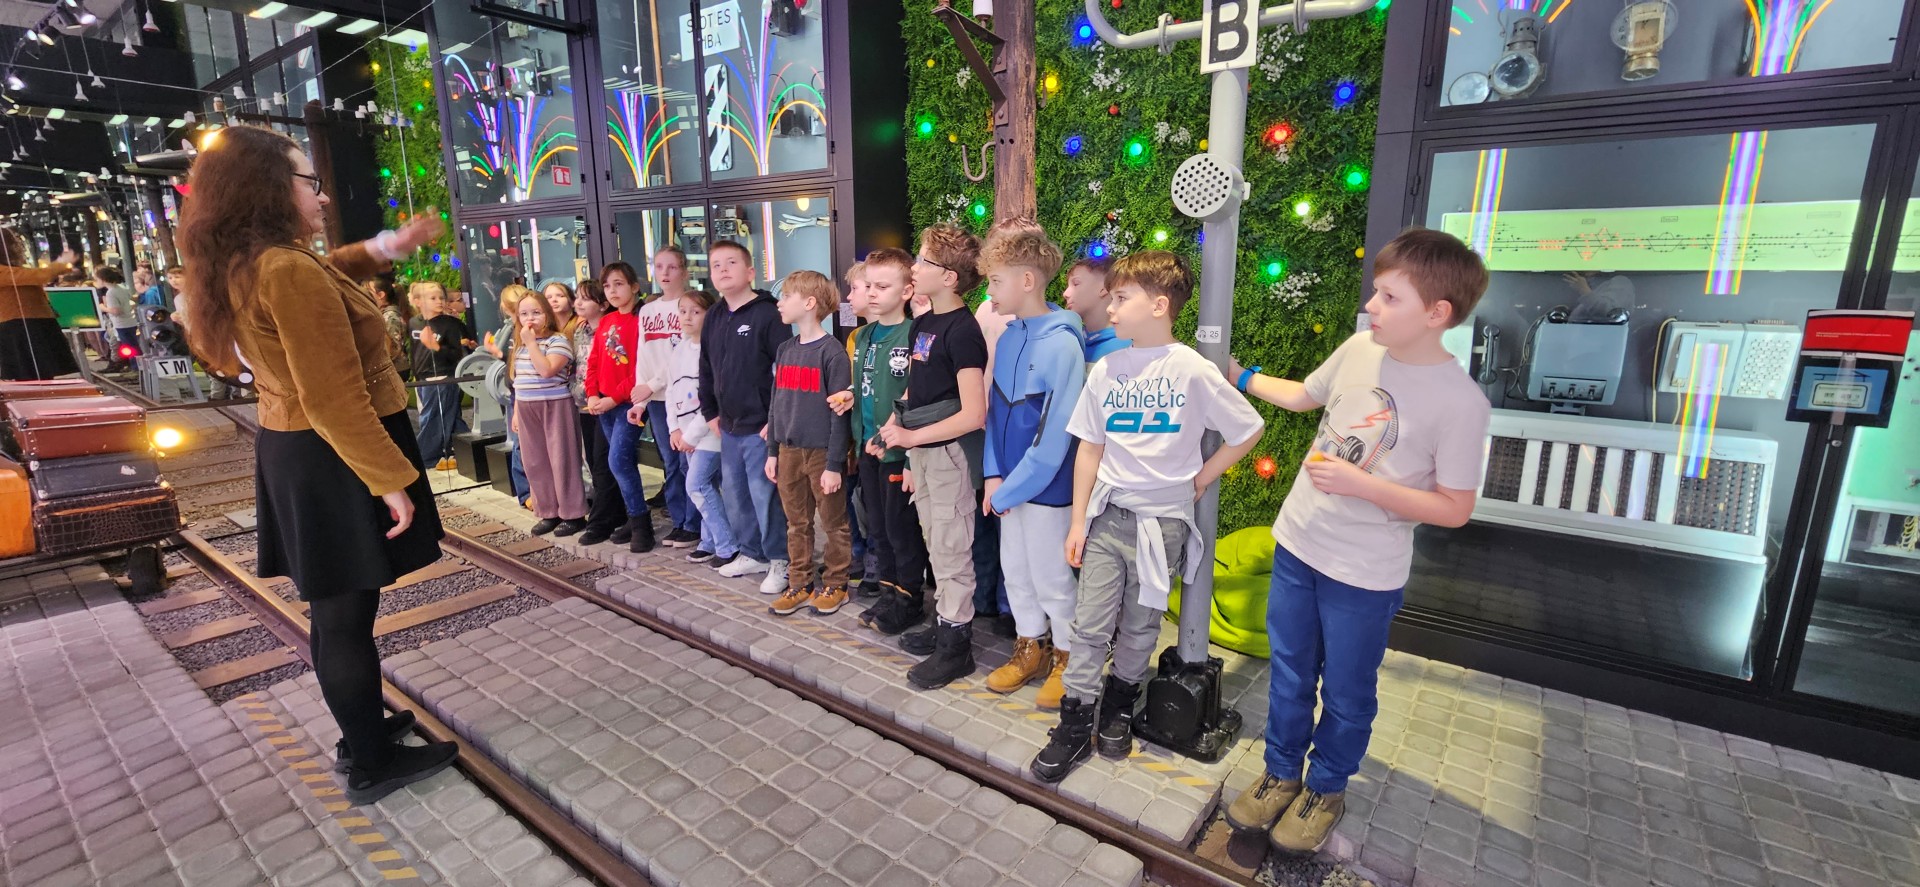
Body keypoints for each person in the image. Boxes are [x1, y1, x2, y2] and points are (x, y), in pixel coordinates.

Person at [175, 125, 456, 805]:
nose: (323, 197)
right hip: (335, 455)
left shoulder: (252, 262)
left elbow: (331, 273)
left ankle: (362, 733)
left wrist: (389, 247)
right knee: (345, 616)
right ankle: (371, 762)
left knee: (336, 614)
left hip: (302, 452)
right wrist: (390, 479)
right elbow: (332, 397)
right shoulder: (286, 269)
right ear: (269, 189)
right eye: (310, 182)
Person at [1224, 228, 1492, 854]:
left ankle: (1325, 788)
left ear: (1437, 313)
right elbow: (1304, 396)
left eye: (1389, 297)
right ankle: (1280, 773)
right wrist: (1241, 375)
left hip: (1365, 573)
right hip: (1298, 544)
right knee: (1289, 672)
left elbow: (1455, 508)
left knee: (1346, 693)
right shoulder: (1358, 348)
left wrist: (1361, 484)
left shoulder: (1462, 403)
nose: (1371, 306)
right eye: (1377, 292)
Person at [1029, 250, 1265, 784]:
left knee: (1140, 625)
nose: (1110, 308)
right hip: (1108, 519)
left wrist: (1202, 477)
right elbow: (1090, 448)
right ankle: (1074, 720)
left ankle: (1118, 706)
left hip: (1163, 526)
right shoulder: (1106, 369)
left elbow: (1248, 428)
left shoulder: (1193, 369)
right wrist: (1078, 522)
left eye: (1121, 298)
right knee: (1089, 625)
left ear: (1159, 305)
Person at [876, 223, 988, 690]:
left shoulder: (963, 331)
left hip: (948, 455)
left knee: (951, 547)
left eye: (924, 260)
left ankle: (957, 647)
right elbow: (916, 387)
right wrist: (894, 426)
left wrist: (911, 437)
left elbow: (974, 413)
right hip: (922, 450)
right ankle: (945, 624)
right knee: (934, 541)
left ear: (949, 278)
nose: (914, 267)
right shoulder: (925, 322)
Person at [977, 228, 1084, 709]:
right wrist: (992, 474)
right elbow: (994, 412)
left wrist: (1008, 489)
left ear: (1026, 281)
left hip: (1047, 489)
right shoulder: (1008, 337)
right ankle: (1030, 650)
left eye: (995, 281)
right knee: (1015, 572)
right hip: (1008, 485)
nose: (989, 292)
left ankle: (1068, 658)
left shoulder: (1063, 345)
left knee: (1053, 579)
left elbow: (1055, 437)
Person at [841, 249, 930, 634]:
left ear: (907, 291)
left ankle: (910, 599)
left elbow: (918, 395)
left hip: (899, 450)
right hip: (868, 447)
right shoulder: (862, 335)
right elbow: (866, 386)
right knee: (877, 525)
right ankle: (889, 592)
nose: (873, 293)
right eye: (870, 286)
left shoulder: (916, 334)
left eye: (883, 286)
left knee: (900, 528)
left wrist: (910, 456)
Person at [698, 240, 791, 590]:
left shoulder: (768, 314)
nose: (723, 269)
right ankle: (752, 553)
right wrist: (710, 412)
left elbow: (784, 371)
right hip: (728, 425)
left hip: (761, 426)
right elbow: (705, 367)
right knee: (736, 495)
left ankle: (781, 560)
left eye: (731, 263)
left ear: (750, 271)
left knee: (765, 496)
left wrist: (775, 419)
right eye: (716, 265)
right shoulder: (714, 316)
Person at [763, 270, 854, 615]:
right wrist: (772, 451)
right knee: (796, 523)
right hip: (788, 451)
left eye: (787, 296)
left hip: (821, 453)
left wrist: (834, 464)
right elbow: (776, 405)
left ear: (809, 303)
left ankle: (837, 583)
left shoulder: (832, 353)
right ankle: (800, 583)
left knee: (833, 523)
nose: (780, 303)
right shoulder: (785, 350)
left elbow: (839, 415)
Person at [624, 247, 700, 548]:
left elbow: (683, 355)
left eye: (672, 267)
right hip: (657, 401)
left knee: (689, 462)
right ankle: (680, 521)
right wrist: (640, 400)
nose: (665, 273)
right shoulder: (648, 311)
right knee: (670, 462)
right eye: (659, 267)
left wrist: (652, 384)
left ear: (684, 271)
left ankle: (695, 523)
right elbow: (643, 356)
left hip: (686, 396)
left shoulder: (690, 307)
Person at [582, 262, 655, 553]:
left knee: (618, 461)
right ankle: (633, 516)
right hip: (604, 405)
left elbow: (641, 368)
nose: (612, 291)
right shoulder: (607, 322)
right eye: (607, 286)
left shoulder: (641, 320)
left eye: (619, 284)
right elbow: (594, 362)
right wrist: (591, 395)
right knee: (621, 463)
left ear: (634, 287)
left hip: (628, 404)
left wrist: (614, 398)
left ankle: (641, 523)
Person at [508, 289, 586, 537]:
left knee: (562, 459)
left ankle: (573, 514)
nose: (530, 318)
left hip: (555, 404)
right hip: (526, 405)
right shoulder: (519, 346)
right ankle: (548, 511)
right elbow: (518, 382)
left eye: (536, 312)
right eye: (524, 314)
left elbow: (547, 370)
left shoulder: (558, 341)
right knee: (535, 461)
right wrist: (516, 413)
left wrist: (532, 344)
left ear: (547, 314)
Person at [667, 290, 735, 568]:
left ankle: (727, 544)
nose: (687, 317)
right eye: (683, 311)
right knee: (707, 486)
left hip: (708, 432)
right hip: (685, 433)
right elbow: (671, 391)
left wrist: (691, 435)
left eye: (696, 312)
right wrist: (674, 429)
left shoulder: (714, 349)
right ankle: (709, 542)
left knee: (696, 484)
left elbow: (711, 398)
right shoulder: (679, 349)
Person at [571, 280, 625, 544]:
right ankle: (616, 512)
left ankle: (601, 520)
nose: (578, 303)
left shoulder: (611, 330)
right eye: (577, 297)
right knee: (594, 462)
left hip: (607, 402)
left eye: (585, 299)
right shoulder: (579, 330)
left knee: (605, 462)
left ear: (602, 305)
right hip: (584, 401)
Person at [839, 261, 879, 597]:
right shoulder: (855, 337)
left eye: (854, 289)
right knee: (849, 496)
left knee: (875, 505)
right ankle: (858, 552)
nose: (849, 297)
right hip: (858, 434)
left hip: (884, 439)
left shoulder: (904, 334)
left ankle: (877, 562)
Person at [0, 229, 81, 380]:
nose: (19, 246)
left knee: (38, 373)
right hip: (21, 326)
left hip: (32, 324)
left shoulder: (12, 270)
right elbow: (40, 276)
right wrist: (60, 264)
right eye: (15, 243)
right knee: (31, 374)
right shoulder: (4, 272)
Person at [410, 281, 468, 470]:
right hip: (423, 380)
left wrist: (435, 347)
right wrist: (416, 374)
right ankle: (468, 452)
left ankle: (425, 457)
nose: (439, 301)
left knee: (434, 418)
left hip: (444, 377)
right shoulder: (414, 323)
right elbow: (414, 352)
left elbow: (456, 355)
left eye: (441, 297)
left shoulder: (451, 325)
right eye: (433, 298)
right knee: (448, 417)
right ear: (418, 301)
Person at [488, 283, 535, 509]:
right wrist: (499, 354)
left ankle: (532, 491)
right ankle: (525, 492)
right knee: (519, 441)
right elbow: (511, 359)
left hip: (529, 389)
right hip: (518, 391)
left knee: (523, 442)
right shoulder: (512, 329)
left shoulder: (525, 329)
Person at [1063, 256, 1128, 366]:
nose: (1065, 294)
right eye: (1068, 286)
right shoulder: (1069, 341)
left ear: (1104, 288)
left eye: (1076, 284)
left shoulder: (1128, 348)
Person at [95, 266, 139, 365]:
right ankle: (136, 365)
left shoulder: (111, 293)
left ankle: (135, 366)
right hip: (131, 321)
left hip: (122, 323)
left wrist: (103, 308)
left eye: (97, 279)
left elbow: (116, 311)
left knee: (129, 347)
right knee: (134, 345)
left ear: (103, 279)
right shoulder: (122, 288)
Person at [370, 278, 412, 381]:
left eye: (369, 291)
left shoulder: (390, 316)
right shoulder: (384, 314)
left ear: (381, 295)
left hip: (396, 369)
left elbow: (393, 347)